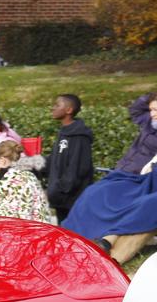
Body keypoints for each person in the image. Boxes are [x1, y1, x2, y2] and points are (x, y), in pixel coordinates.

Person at [63, 92, 157, 263]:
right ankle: (74, 238)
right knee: (93, 193)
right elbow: (136, 109)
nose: (152, 114)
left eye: (156, 110)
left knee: (115, 197)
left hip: (141, 177)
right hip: (123, 172)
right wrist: (151, 96)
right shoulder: (149, 123)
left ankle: (104, 241)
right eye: (151, 109)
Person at [45, 94, 94, 221]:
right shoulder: (64, 132)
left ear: (69, 110)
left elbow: (77, 169)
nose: (53, 108)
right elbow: (53, 161)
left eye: (57, 105)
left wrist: (59, 190)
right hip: (60, 200)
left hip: (72, 200)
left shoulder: (79, 137)